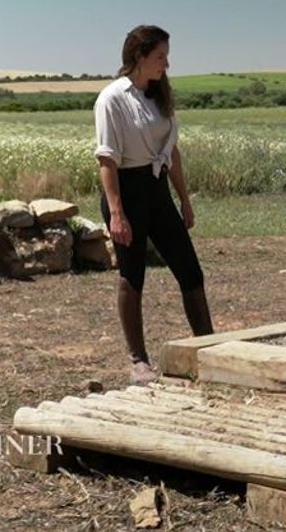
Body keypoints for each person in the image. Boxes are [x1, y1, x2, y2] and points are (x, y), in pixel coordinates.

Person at [94, 25, 213, 383]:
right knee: (133, 275)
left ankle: (209, 347)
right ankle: (137, 361)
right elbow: (107, 161)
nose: (167, 64)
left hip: (158, 189)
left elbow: (171, 152)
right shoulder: (112, 98)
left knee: (190, 270)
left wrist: (185, 202)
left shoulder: (159, 96)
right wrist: (116, 213)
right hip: (127, 192)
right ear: (138, 56)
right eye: (160, 56)